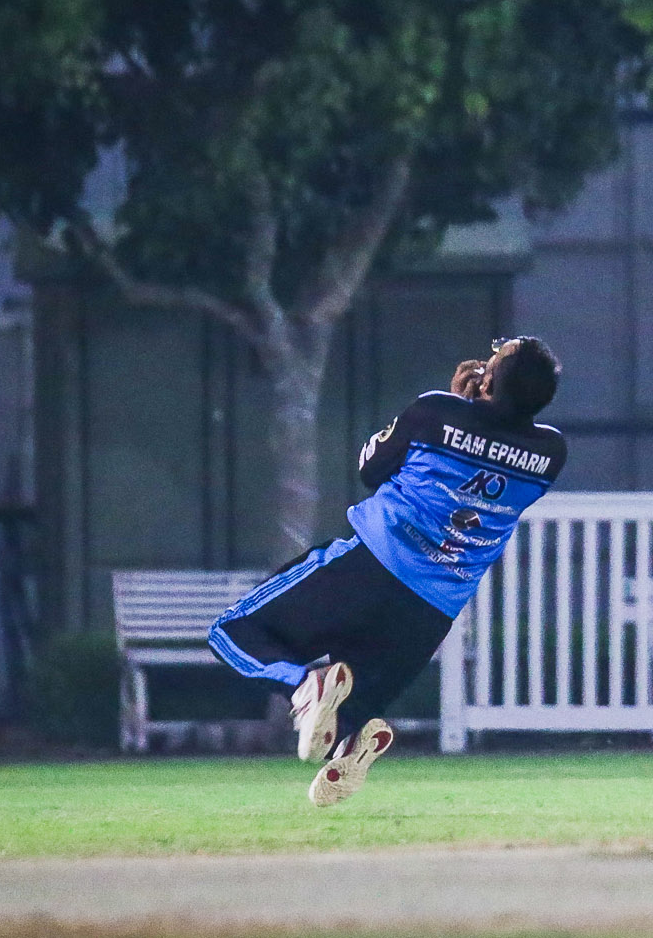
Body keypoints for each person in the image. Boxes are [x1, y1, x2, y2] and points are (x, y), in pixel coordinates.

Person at [209, 336, 566, 805]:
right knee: (345, 710)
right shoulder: (551, 453)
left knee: (231, 633)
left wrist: (460, 403)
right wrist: (480, 408)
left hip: (368, 567)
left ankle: (304, 685)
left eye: (496, 356)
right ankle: (354, 742)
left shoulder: (437, 410)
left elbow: (371, 468)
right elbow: (495, 447)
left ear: (489, 381)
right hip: (431, 612)